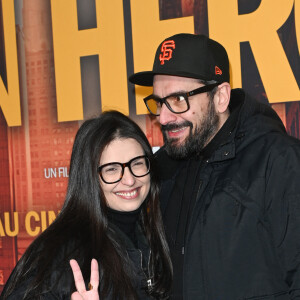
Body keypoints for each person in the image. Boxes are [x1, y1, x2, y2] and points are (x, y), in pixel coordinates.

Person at [129, 33, 300, 299]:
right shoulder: (160, 169)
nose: (163, 117)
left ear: (220, 97)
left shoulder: (278, 162)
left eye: (178, 100)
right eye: (160, 102)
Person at [0, 111, 172, 300]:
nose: (130, 180)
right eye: (112, 169)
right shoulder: (65, 254)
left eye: (137, 163)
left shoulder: (155, 234)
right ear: (88, 178)